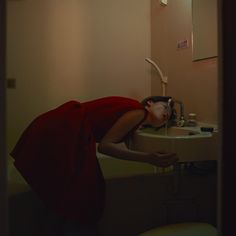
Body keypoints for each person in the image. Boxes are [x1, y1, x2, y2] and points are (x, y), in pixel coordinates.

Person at [10, 95, 178, 236]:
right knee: (85, 195)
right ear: (150, 103)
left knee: (69, 193)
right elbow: (105, 146)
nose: (166, 114)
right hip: (66, 129)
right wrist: (149, 158)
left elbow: (113, 141)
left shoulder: (135, 118)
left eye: (168, 117)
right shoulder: (138, 111)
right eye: (165, 107)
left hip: (65, 127)